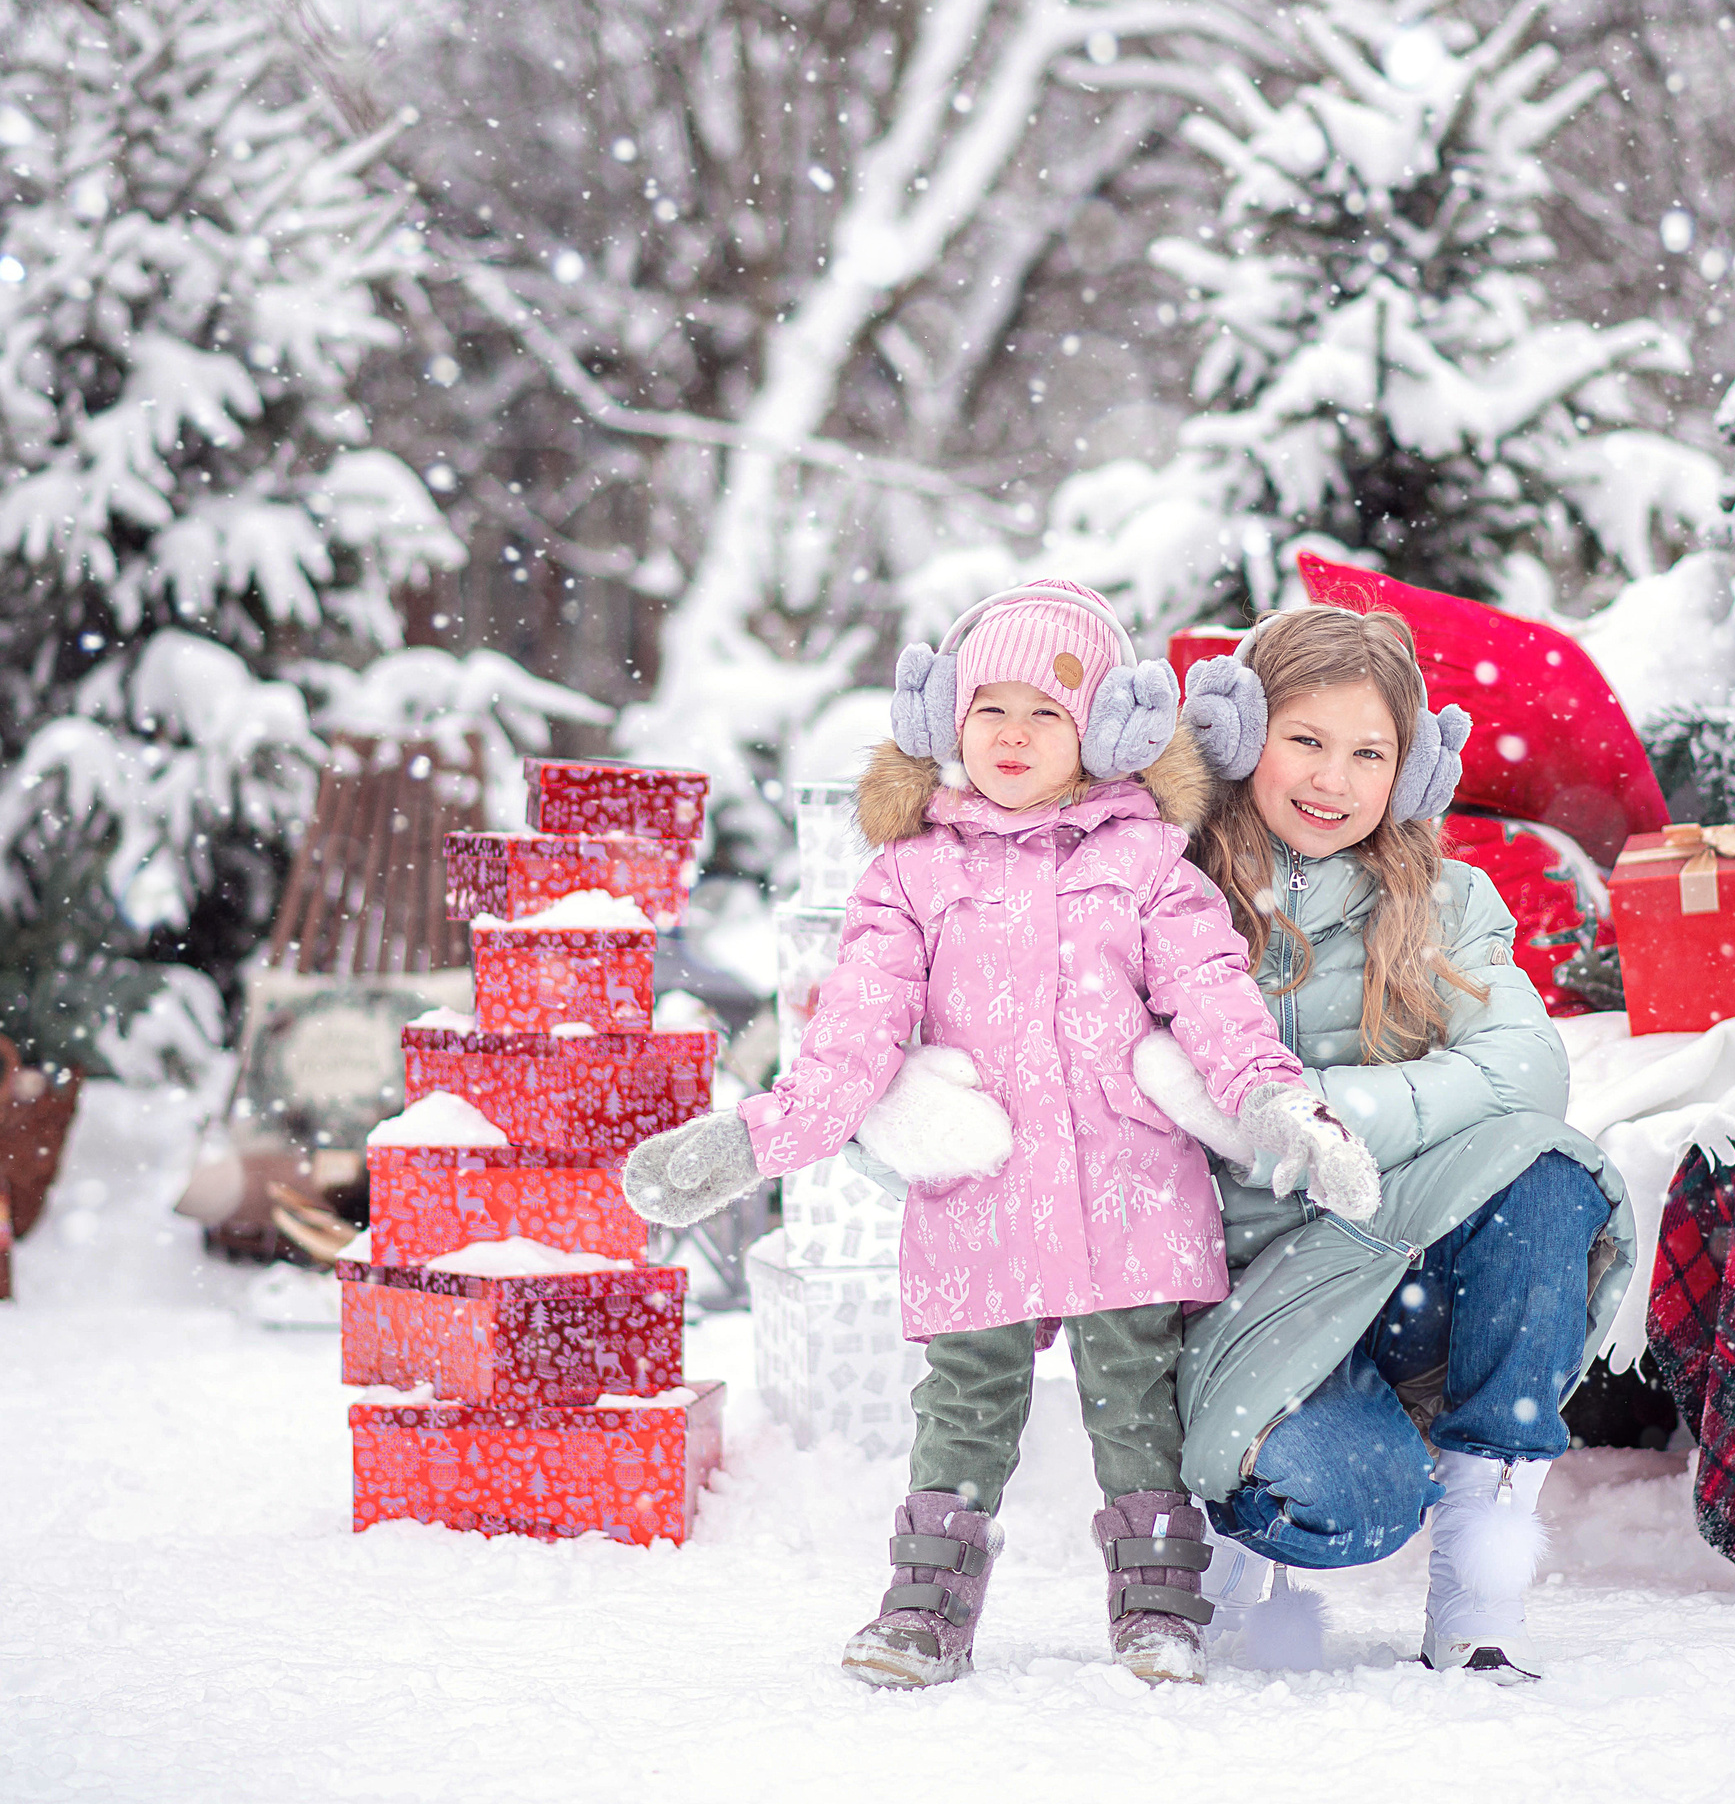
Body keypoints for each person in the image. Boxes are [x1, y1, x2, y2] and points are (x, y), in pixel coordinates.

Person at [621, 579, 1373, 1691]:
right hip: (984, 1193)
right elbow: (852, 1040)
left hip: (1131, 1192)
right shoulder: (910, 876)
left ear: (1103, 732)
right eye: (991, 709)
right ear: (947, 723)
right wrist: (757, 1140)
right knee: (965, 1406)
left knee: (1137, 1403)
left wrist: (1275, 1102)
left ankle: (1159, 1604)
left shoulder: (1149, 865)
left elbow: (1213, 995)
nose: (1014, 737)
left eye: (1048, 713)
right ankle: (926, 1610)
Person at [1133, 604, 1633, 1682]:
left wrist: (1327, 1107)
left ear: (1409, 773)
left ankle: (1478, 1589)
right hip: (1239, 1292)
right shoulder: (1163, 891)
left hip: (1392, 1258)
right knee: (1347, 1504)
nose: (1334, 779)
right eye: (1305, 741)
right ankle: (1230, 1531)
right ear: (1236, 735)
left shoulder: (1445, 901)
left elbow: (1526, 1070)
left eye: (1370, 753)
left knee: (1545, 1175)